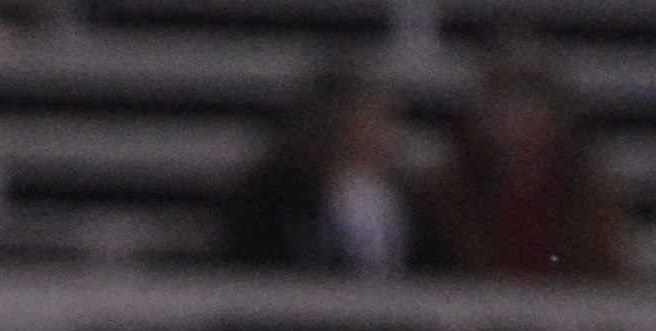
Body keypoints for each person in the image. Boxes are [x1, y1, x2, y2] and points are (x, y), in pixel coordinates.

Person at [422, 38, 632, 283]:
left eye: (532, 108)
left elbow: (605, 279)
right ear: (482, 118)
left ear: (554, 119)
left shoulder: (589, 199)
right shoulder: (445, 198)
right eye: (507, 109)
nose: (519, 124)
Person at [223, 58, 424, 276]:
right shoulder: (273, 198)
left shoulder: (410, 201)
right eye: (362, 120)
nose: (379, 136)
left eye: (382, 121)